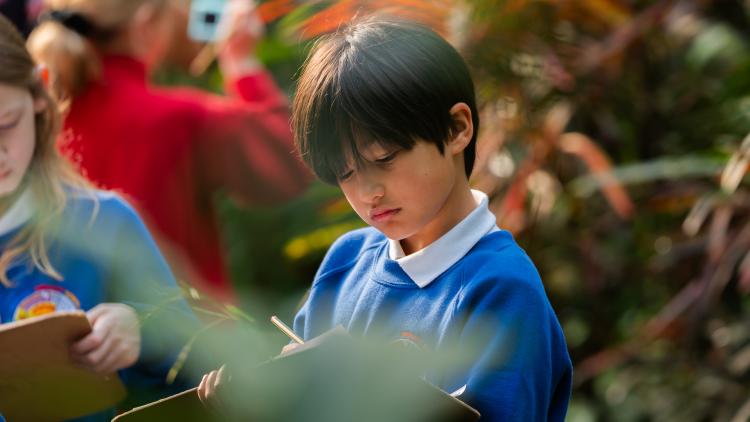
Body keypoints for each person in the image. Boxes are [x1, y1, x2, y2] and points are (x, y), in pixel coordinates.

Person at [199, 16, 572, 421]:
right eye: (344, 173)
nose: (366, 193)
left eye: (385, 159)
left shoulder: (500, 289)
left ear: (456, 129)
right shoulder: (346, 262)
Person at [26, 0, 310, 302]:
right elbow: (289, 163)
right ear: (145, 25)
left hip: (76, 334)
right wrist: (241, 63)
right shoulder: (177, 119)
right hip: (186, 336)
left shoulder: (34, 119)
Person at [0, 14, 195, 420]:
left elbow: (197, 361)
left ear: (39, 90)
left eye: (6, 124)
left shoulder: (103, 222)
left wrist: (139, 331)